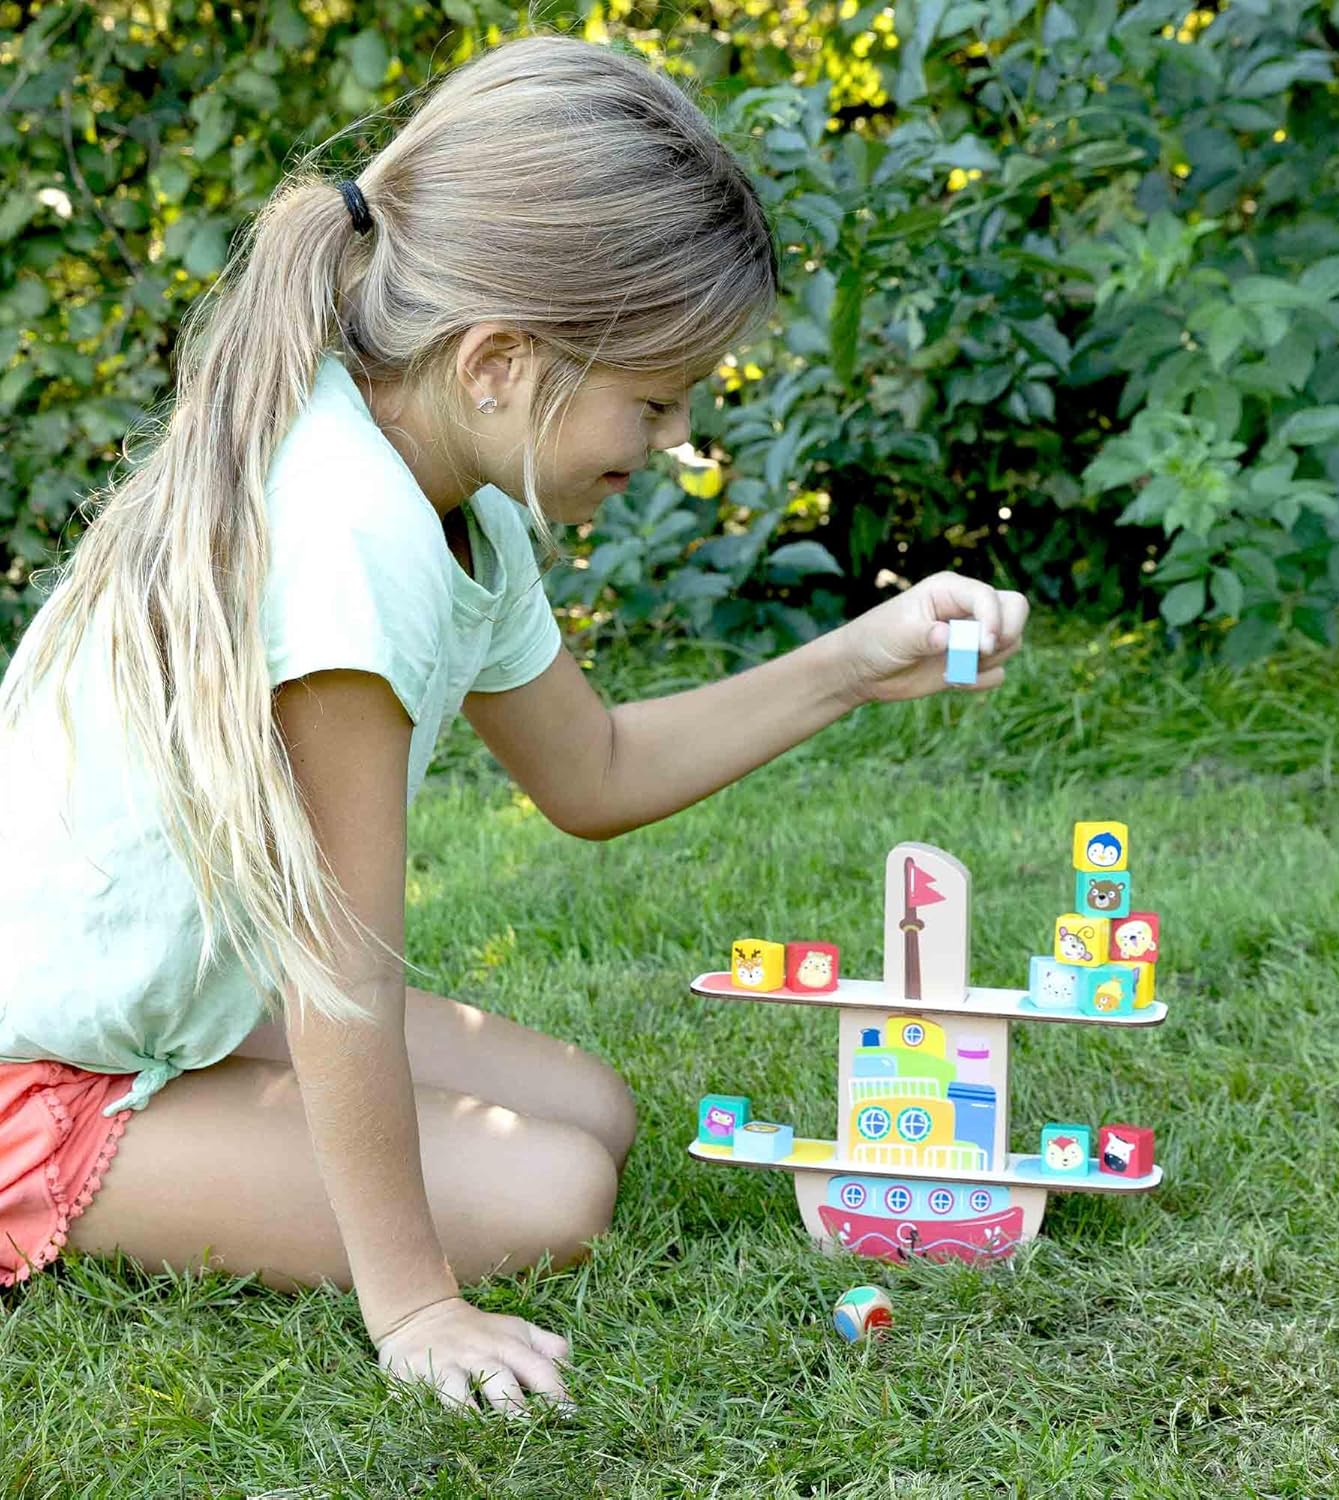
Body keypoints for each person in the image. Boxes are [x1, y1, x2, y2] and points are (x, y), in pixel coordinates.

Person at [0, 33, 1027, 1417]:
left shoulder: (450, 494)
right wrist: (416, 1302)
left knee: (593, 1116)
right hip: (43, 1071)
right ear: (498, 363)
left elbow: (591, 772)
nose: (670, 442)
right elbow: (339, 971)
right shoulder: (349, 540)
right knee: (551, 1190)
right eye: (654, 400)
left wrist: (855, 661)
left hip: (178, 1003)